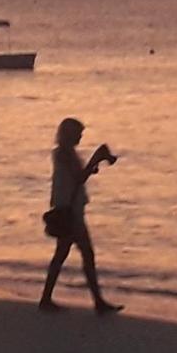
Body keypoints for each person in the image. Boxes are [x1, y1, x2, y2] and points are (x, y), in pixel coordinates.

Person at [39, 117, 123, 314]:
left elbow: (77, 176)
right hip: (69, 211)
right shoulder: (63, 153)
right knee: (85, 254)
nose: (80, 137)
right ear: (69, 134)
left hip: (70, 209)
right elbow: (78, 178)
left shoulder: (66, 153)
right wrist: (97, 158)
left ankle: (47, 298)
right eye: (78, 133)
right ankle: (98, 302)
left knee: (63, 255)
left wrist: (95, 162)